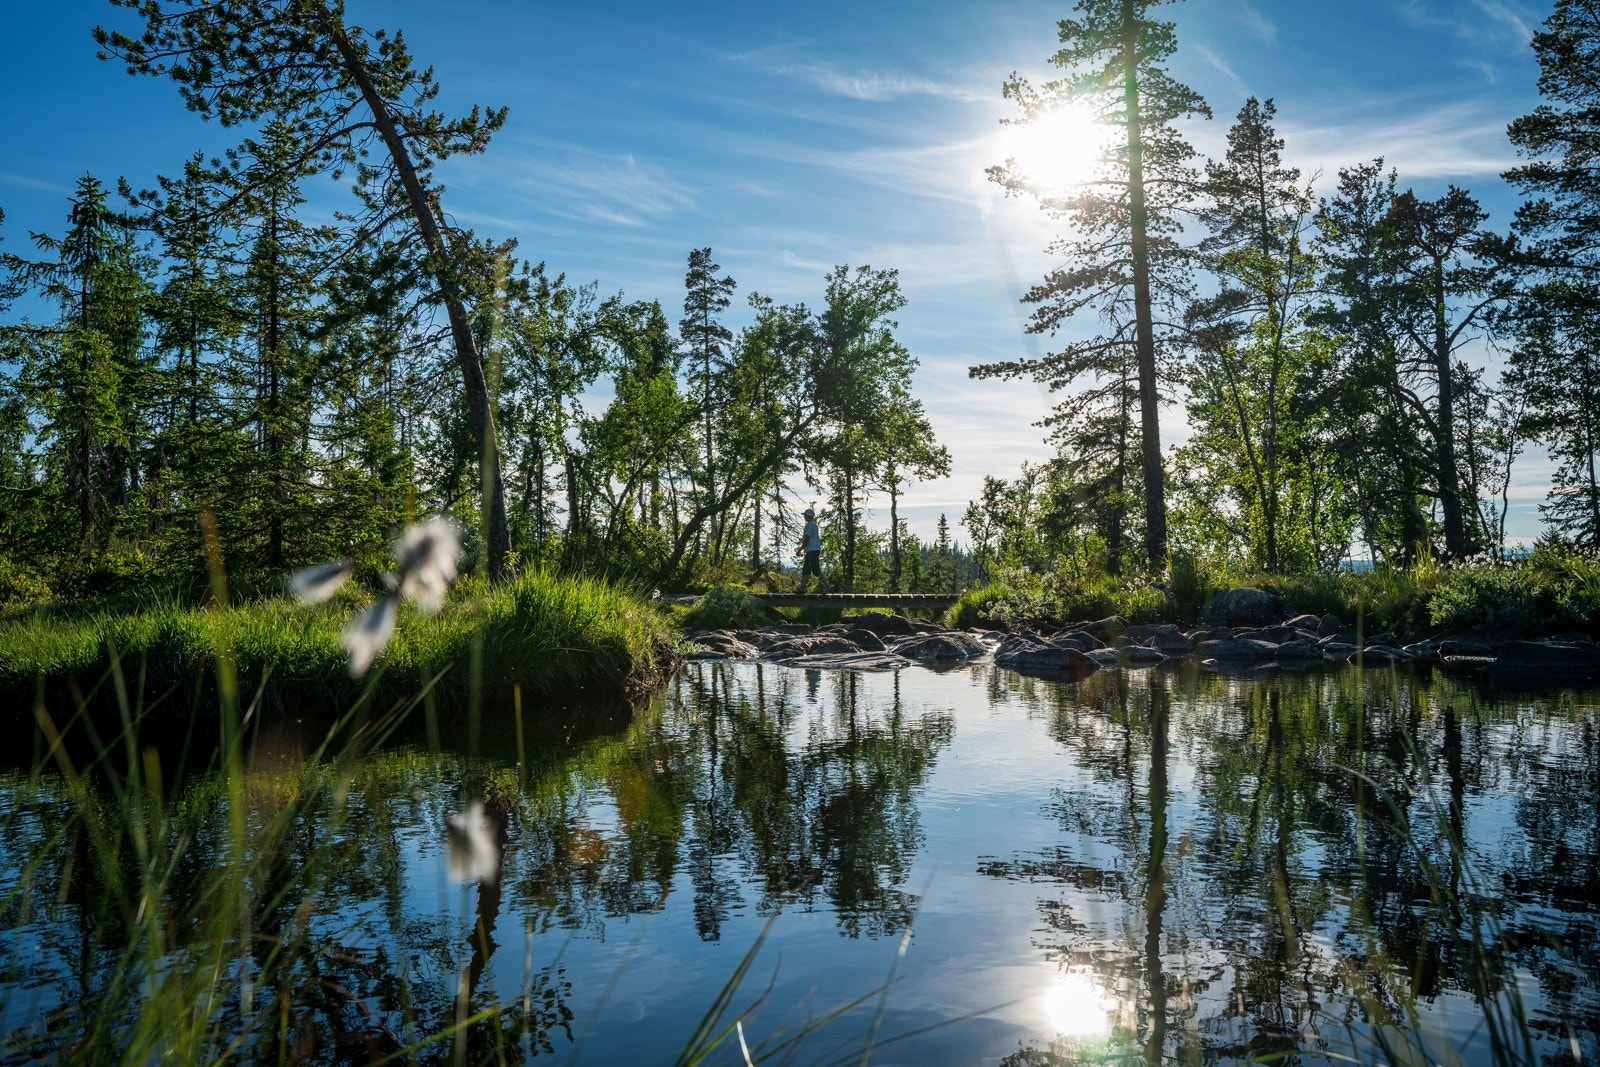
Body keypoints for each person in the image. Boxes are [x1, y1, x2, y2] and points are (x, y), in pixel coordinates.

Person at [797, 507, 828, 593]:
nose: (804, 517)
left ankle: (828, 586)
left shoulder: (809, 525)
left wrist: (800, 549)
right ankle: (802, 588)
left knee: (816, 570)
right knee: (806, 570)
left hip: (812, 550)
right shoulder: (813, 525)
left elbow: (807, 539)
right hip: (812, 550)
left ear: (808, 516)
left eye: (805, 515)